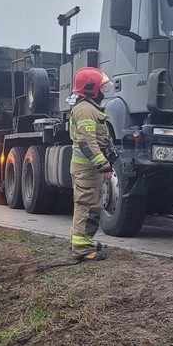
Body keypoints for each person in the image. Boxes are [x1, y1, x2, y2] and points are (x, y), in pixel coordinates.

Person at [69, 67, 117, 262]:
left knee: (89, 205)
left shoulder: (88, 108)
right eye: (101, 88)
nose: (103, 92)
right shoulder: (86, 111)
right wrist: (103, 165)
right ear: (91, 89)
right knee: (87, 207)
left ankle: (82, 241)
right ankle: (82, 248)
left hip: (88, 169)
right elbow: (87, 142)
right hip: (87, 170)